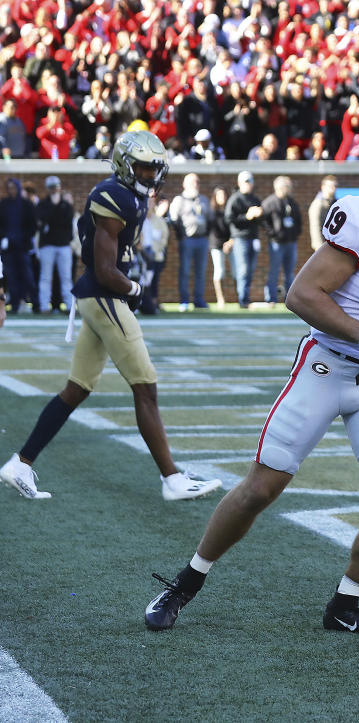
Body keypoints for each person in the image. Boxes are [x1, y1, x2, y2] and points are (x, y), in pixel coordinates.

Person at [143, 126, 359, 633]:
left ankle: (345, 604)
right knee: (261, 487)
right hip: (327, 364)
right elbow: (302, 294)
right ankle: (185, 583)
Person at [0, 130, 222, 501]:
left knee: (76, 390)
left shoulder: (126, 195)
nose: (151, 176)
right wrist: (134, 289)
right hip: (104, 297)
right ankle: (172, 479)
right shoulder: (114, 196)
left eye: (155, 169)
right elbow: (104, 270)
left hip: (97, 296)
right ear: (124, 165)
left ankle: (20, 463)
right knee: (145, 386)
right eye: (144, 168)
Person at [169, 173, 213, 311]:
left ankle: (199, 300)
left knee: (201, 271)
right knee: (185, 271)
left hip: (202, 239)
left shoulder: (204, 200)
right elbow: (174, 219)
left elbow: (210, 219)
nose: (196, 184)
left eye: (197, 182)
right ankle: (184, 300)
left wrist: (206, 234)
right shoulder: (179, 200)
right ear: (184, 184)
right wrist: (180, 236)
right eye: (192, 182)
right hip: (187, 239)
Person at [35, 176, 75, 314]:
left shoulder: (66, 205)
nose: (54, 189)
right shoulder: (43, 204)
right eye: (51, 187)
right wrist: (53, 205)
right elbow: (41, 222)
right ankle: (44, 306)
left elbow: (66, 222)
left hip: (63, 245)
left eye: (56, 186)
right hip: (47, 245)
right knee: (45, 277)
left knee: (66, 278)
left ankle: (70, 306)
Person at [261, 175, 302, 307]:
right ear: (279, 187)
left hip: (291, 242)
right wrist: (273, 234)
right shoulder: (269, 202)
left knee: (289, 272)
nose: (289, 189)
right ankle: (271, 298)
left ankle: (289, 299)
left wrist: (295, 233)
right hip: (276, 243)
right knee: (274, 270)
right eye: (287, 186)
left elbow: (299, 221)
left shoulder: (291, 202)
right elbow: (263, 221)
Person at [225, 171, 262, 308]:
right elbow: (229, 219)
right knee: (243, 269)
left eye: (250, 181)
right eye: (245, 181)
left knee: (251, 269)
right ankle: (243, 299)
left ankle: (245, 297)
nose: (248, 184)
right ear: (240, 183)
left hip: (253, 238)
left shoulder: (255, 199)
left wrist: (260, 215)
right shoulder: (235, 199)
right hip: (240, 238)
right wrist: (247, 216)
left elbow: (261, 220)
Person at [0, 177, 37, 314]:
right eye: (9, 188)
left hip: (23, 247)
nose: (11, 191)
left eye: (13, 188)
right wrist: (4, 237)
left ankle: (35, 303)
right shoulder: (3, 204)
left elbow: (33, 226)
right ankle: (14, 305)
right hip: (8, 248)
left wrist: (23, 238)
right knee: (11, 277)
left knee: (28, 276)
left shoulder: (27, 205)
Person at [208, 186, 231, 309]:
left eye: (224, 195)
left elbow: (232, 228)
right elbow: (212, 231)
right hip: (216, 244)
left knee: (235, 272)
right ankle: (220, 299)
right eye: (219, 195)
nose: (222, 198)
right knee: (219, 271)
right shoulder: (212, 212)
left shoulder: (229, 210)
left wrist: (230, 241)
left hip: (229, 244)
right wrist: (222, 244)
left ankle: (235, 298)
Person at [308, 175, 338, 252]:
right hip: (322, 246)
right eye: (330, 186)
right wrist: (319, 247)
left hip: (334, 244)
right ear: (323, 187)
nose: (333, 188)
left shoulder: (336, 202)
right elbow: (315, 226)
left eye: (335, 185)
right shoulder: (318, 204)